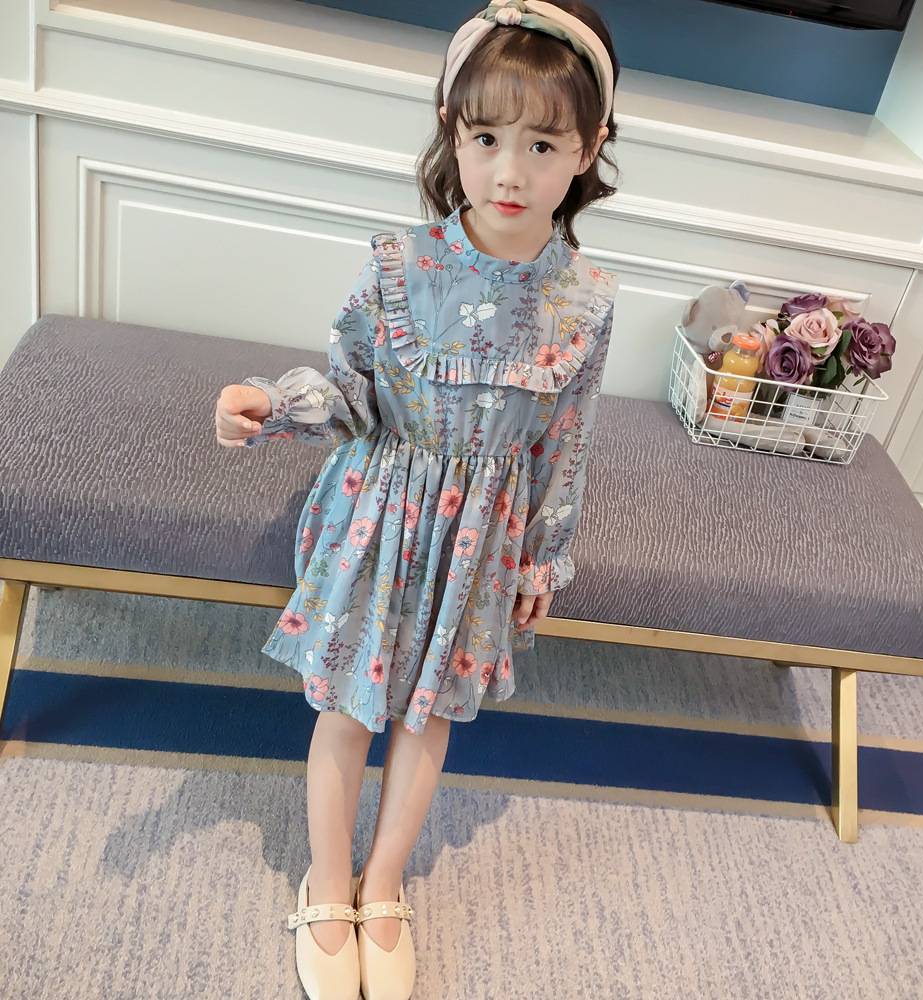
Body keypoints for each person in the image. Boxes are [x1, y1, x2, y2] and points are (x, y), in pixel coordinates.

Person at [213, 2, 620, 997]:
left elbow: (564, 440)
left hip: (481, 539)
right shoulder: (401, 266)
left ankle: (384, 880)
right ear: (451, 128)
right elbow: (352, 392)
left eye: (541, 144)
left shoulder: (585, 300)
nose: (509, 171)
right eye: (486, 139)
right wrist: (273, 405)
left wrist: (543, 557)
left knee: (427, 713)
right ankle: (326, 880)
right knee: (350, 707)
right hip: (380, 515)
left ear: (588, 147)